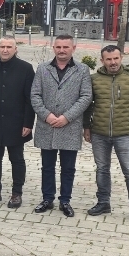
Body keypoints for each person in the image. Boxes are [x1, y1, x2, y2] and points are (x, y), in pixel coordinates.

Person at [83, 45, 129, 224]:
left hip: (124, 134)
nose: (113, 62)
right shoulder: (94, 79)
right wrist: (86, 127)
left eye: (115, 58)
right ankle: (103, 203)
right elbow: (88, 104)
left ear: (121, 58)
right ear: (102, 61)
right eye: (108, 59)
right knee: (102, 169)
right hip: (99, 133)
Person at [30, 34, 92, 218]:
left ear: (73, 48)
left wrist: (67, 117)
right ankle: (47, 198)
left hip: (69, 126)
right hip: (47, 125)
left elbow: (86, 96)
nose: (62, 50)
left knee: (68, 168)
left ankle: (65, 200)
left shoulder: (82, 70)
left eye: (66, 47)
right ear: (53, 48)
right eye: (58, 47)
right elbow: (35, 95)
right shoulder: (43, 68)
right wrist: (47, 115)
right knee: (47, 166)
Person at [0, 36, 35, 208]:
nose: (5, 50)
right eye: (2, 46)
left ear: (15, 49)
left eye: (9, 47)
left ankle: (17, 193)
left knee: (17, 159)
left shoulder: (26, 69)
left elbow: (30, 99)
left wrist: (28, 123)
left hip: (16, 122)